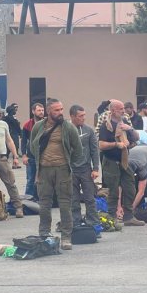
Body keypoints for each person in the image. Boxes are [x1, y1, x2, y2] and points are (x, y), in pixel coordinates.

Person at [30, 98, 83, 250]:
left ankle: (66, 237)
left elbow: (78, 150)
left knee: (65, 204)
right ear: (48, 111)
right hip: (44, 170)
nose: (60, 112)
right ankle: (44, 234)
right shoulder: (38, 126)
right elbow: (33, 146)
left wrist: (68, 163)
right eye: (56, 110)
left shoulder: (68, 127)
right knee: (44, 204)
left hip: (62, 170)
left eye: (61, 109)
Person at [98, 99, 145, 226]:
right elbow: (101, 145)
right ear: (113, 111)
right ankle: (112, 217)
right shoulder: (106, 126)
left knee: (130, 188)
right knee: (113, 190)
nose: (123, 111)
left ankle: (128, 217)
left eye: (123, 108)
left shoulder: (124, 122)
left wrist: (129, 129)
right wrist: (116, 144)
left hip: (124, 160)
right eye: (120, 109)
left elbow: (137, 138)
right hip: (111, 161)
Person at [69, 105, 100, 226]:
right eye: (80, 116)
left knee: (89, 198)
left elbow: (94, 150)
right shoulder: (65, 130)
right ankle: (75, 222)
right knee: (73, 199)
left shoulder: (89, 130)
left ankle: (93, 222)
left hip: (86, 169)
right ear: (72, 116)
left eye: (84, 115)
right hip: (70, 170)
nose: (83, 118)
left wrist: (95, 168)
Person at [21, 103, 44, 200]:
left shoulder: (47, 124)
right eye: (39, 110)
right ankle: (28, 201)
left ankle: (43, 199)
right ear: (33, 111)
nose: (41, 112)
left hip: (44, 157)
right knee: (30, 180)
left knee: (44, 180)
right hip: (31, 157)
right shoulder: (27, 125)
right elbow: (23, 141)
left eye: (42, 110)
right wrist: (24, 155)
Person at [128, 143, 147, 210]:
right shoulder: (124, 166)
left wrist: (131, 209)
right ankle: (140, 202)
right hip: (137, 153)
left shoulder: (141, 166)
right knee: (133, 181)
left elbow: (141, 192)